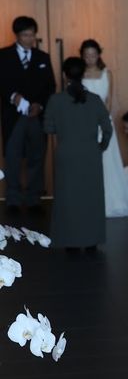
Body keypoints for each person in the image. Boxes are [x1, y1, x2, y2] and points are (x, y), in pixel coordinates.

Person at [44, 57, 112, 250]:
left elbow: (48, 127)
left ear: (64, 75)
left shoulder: (56, 100)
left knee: (68, 199)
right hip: (91, 154)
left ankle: (70, 241)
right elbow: (107, 129)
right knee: (91, 199)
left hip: (66, 154)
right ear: (83, 74)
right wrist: (100, 147)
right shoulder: (95, 100)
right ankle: (92, 241)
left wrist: (64, 130)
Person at [80, 39, 128, 217]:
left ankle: (112, 199)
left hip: (103, 120)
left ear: (98, 55)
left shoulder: (107, 73)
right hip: (85, 122)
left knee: (107, 160)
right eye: (87, 55)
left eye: (93, 55)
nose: (90, 58)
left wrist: (102, 119)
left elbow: (109, 101)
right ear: (82, 56)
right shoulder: (79, 74)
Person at [0, 16, 56, 212]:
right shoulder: (3, 55)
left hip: (36, 116)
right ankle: (13, 200)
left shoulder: (43, 57)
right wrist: (13, 96)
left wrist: (40, 105)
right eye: (25, 35)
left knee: (37, 157)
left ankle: (34, 200)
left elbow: (50, 86)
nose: (30, 39)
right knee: (13, 158)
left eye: (32, 35)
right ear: (17, 35)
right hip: (13, 117)